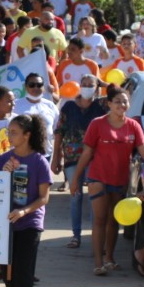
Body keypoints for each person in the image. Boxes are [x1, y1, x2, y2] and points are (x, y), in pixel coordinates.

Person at [71, 87, 144, 276]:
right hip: (98, 178)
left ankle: (109, 258)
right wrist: (75, 179)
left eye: (125, 101)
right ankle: (98, 262)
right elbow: (87, 153)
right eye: (117, 101)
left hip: (120, 180)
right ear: (109, 104)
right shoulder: (97, 124)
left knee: (114, 220)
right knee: (100, 219)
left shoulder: (134, 126)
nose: (121, 105)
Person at [0, 114, 52, 287]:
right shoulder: (2, 160)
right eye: (8, 132)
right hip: (5, 223)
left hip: (30, 222)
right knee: (6, 271)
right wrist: (3, 175)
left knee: (23, 270)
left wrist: (24, 211)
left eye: (14, 132)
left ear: (27, 135)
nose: (9, 136)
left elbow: (43, 197)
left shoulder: (39, 161)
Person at [51, 74, 106, 249]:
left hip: (94, 158)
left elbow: (121, 93)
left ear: (97, 88)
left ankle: (95, 235)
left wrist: (105, 84)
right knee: (75, 196)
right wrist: (56, 157)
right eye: (84, 84)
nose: (87, 87)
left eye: (91, 85)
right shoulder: (69, 107)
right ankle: (76, 235)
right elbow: (59, 132)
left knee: (93, 198)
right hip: (72, 158)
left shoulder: (101, 106)